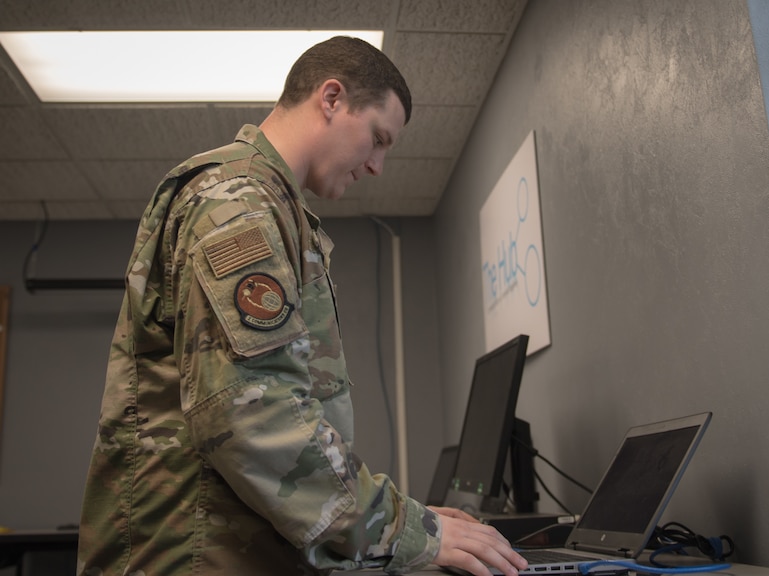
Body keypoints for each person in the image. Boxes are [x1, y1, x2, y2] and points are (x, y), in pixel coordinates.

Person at [76, 36, 528, 576]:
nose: (378, 166)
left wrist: (400, 519)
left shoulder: (275, 209)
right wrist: (403, 528)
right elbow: (255, 415)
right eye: (378, 138)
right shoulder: (238, 203)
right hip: (193, 555)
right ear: (332, 98)